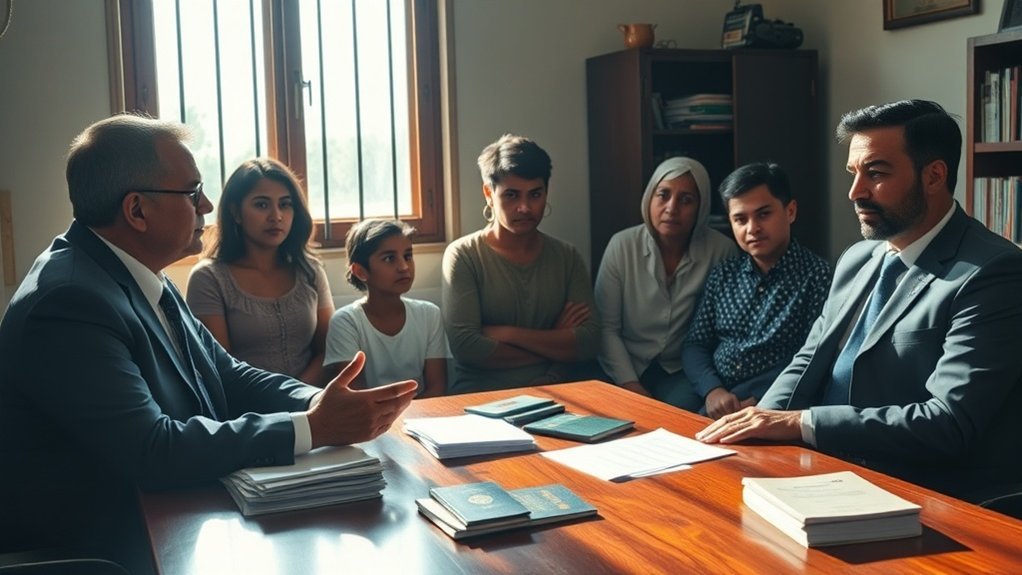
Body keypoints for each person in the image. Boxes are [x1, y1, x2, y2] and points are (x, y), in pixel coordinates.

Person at [0, 114, 419, 571]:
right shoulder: (69, 301)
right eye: (192, 191)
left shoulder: (136, 271)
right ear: (137, 210)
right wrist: (314, 428)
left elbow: (226, 373)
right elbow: (152, 450)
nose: (206, 206)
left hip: (172, 507)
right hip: (104, 545)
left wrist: (325, 402)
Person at [696, 100, 1022, 501]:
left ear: (934, 176)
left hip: (920, 490)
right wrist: (756, 424)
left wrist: (801, 423)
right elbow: (808, 360)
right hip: (829, 466)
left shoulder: (992, 271)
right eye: (853, 173)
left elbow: (948, 422)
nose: (855, 192)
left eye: (876, 173)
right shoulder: (858, 258)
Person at [442, 134, 600, 393]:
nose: (525, 207)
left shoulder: (567, 256)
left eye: (535, 194)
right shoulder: (464, 255)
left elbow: (589, 342)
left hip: (560, 390)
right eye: (512, 195)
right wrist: (555, 344)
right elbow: (467, 347)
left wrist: (509, 334)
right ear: (488, 194)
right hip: (483, 395)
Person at [682, 163, 831, 419]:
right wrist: (712, 390)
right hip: (715, 394)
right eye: (740, 219)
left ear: (791, 211)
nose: (752, 228)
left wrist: (763, 399)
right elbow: (695, 344)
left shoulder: (818, 276)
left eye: (763, 214)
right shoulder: (724, 273)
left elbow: (815, 358)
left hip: (775, 402)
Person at [594, 157, 738, 410]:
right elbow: (607, 328)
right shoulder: (622, 245)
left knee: (677, 420)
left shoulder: (721, 251)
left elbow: (725, 329)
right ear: (649, 198)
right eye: (663, 195)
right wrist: (630, 385)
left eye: (686, 200)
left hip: (680, 369)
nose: (672, 207)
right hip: (624, 363)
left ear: (701, 207)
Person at [187, 158, 334, 386]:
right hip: (246, 412)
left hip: (312, 403)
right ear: (236, 212)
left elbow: (327, 351)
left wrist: (299, 398)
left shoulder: (310, 270)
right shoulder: (209, 278)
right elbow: (220, 368)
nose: (276, 216)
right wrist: (281, 404)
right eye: (262, 205)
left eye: (285, 204)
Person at [324, 219, 449, 397]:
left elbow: (437, 388)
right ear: (360, 271)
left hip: (422, 417)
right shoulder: (346, 322)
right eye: (389, 258)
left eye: (408, 256)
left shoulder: (429, 314)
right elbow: (355, 395)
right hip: (368, 421)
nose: (404, 267)